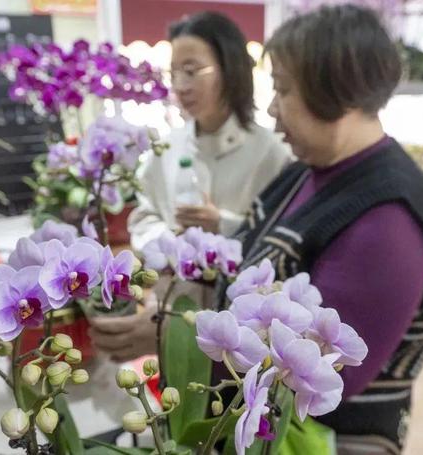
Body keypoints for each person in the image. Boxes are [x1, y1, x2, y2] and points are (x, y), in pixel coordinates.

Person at [227, 5, 423, 453]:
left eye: (282, 89)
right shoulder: (312, 168)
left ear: (340, 93)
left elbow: (320, 379)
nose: (271, 108)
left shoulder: (388, 223)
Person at [89, 11, 292, 362]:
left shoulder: (272, 152)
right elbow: (143, 215)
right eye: (174, 72)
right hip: (172, 307)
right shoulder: (167, 147)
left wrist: (223, 226)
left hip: (241, 327)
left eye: (192, 70)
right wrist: (167, 244)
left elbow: (283, 238)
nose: (180, 85)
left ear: (229, 69)